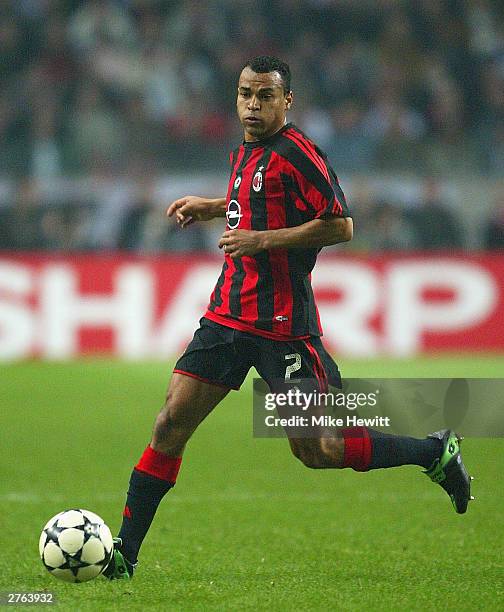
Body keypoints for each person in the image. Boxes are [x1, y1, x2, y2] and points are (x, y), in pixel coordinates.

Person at [104, 56, 473, 579]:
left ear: (287, 101)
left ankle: (433, 451)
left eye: (265, 96)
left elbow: (341, 225)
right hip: (227, 317)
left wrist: (262, 241)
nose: (252, 105)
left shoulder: (300, 154)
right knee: (170, 424)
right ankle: (124, 554)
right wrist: (212, 206)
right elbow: (252, 201)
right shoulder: (246, 150)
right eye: (245, 94)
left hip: (284, 329)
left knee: (319, 449)